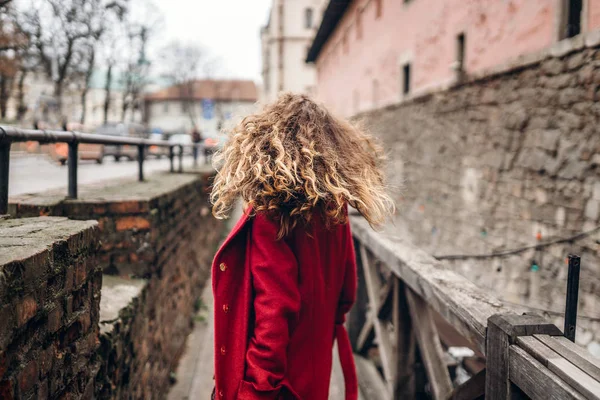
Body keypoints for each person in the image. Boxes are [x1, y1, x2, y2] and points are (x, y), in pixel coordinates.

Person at [209, 93, 394, 400]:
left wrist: (256, 387)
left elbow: (274, 309)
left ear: (263, 145)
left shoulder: (271, 214)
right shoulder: (335, 207)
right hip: (313, 376)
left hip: (275, 386)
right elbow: (346, 293)